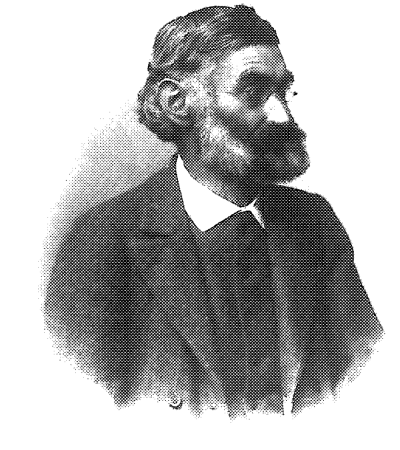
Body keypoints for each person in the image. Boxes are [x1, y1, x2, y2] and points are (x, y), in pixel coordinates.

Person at [44, 5, 383, 417]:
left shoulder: (314, 222)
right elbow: (77, 414)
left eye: (284, 92)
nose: (283, 115)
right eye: (254, 92)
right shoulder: (101, 243)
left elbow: (370, 385)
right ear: (176, 102)